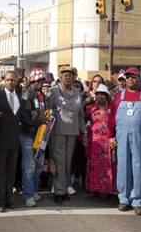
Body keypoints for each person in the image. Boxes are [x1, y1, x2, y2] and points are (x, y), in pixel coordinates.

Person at [46, 66, 87, 204]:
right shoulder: (53, 91)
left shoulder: (77, 92)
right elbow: (48, 111)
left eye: (70, 75)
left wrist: (84, 131)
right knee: (59, 162)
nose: (68, 77)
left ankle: (64, 190)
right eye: (65, 75)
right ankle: (58, 191)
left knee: (68, 163)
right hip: (58, 131)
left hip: (73, 132)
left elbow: (81, 114)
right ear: (60, 76)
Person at [113, 67, 141, 215]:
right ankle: (123, 199)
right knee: (123, 166)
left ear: (140, 79)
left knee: (139, 166)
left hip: (140, 137)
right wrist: (111, 135)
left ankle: (138, 200)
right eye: (128, 77)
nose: (130, 79)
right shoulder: (119, 96)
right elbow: (111, 119)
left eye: (134, 77)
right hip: (122, 136)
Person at [0, 71, 22, 212]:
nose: (10, 83)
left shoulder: (20, 97)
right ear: (4, 81)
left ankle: (9, 199)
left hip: (15, 142)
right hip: (0, 142)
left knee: (11, 173)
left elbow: (23, 117)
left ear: (16, 82)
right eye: (8, 80)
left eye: (13, 80)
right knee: (0, 173)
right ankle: (0, 201)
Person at [19, 68, 49, 207]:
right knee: (29, 167)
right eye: (38, 80)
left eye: (42, 80)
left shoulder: (40, 95)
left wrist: (42, 118)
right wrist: (39, 120)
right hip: (28, 135)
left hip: (40, 135)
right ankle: (28, 195)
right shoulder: (27, 95)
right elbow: (25, 117)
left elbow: (40, 114)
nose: (41, 83)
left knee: (38, 166)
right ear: (32, 81)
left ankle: (33, 191)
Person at [85, 84, 117, 204]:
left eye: (102, 94)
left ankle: (109, 193)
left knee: (109, 169)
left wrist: (114, 138)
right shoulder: (91, 109)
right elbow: (83, 121)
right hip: (94, 143)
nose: (100, 97)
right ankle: (96, 192)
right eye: (98, 94)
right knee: (95, 168)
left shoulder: (112, 108)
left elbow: (116, 124)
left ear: (107, 96)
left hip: (108, 142)